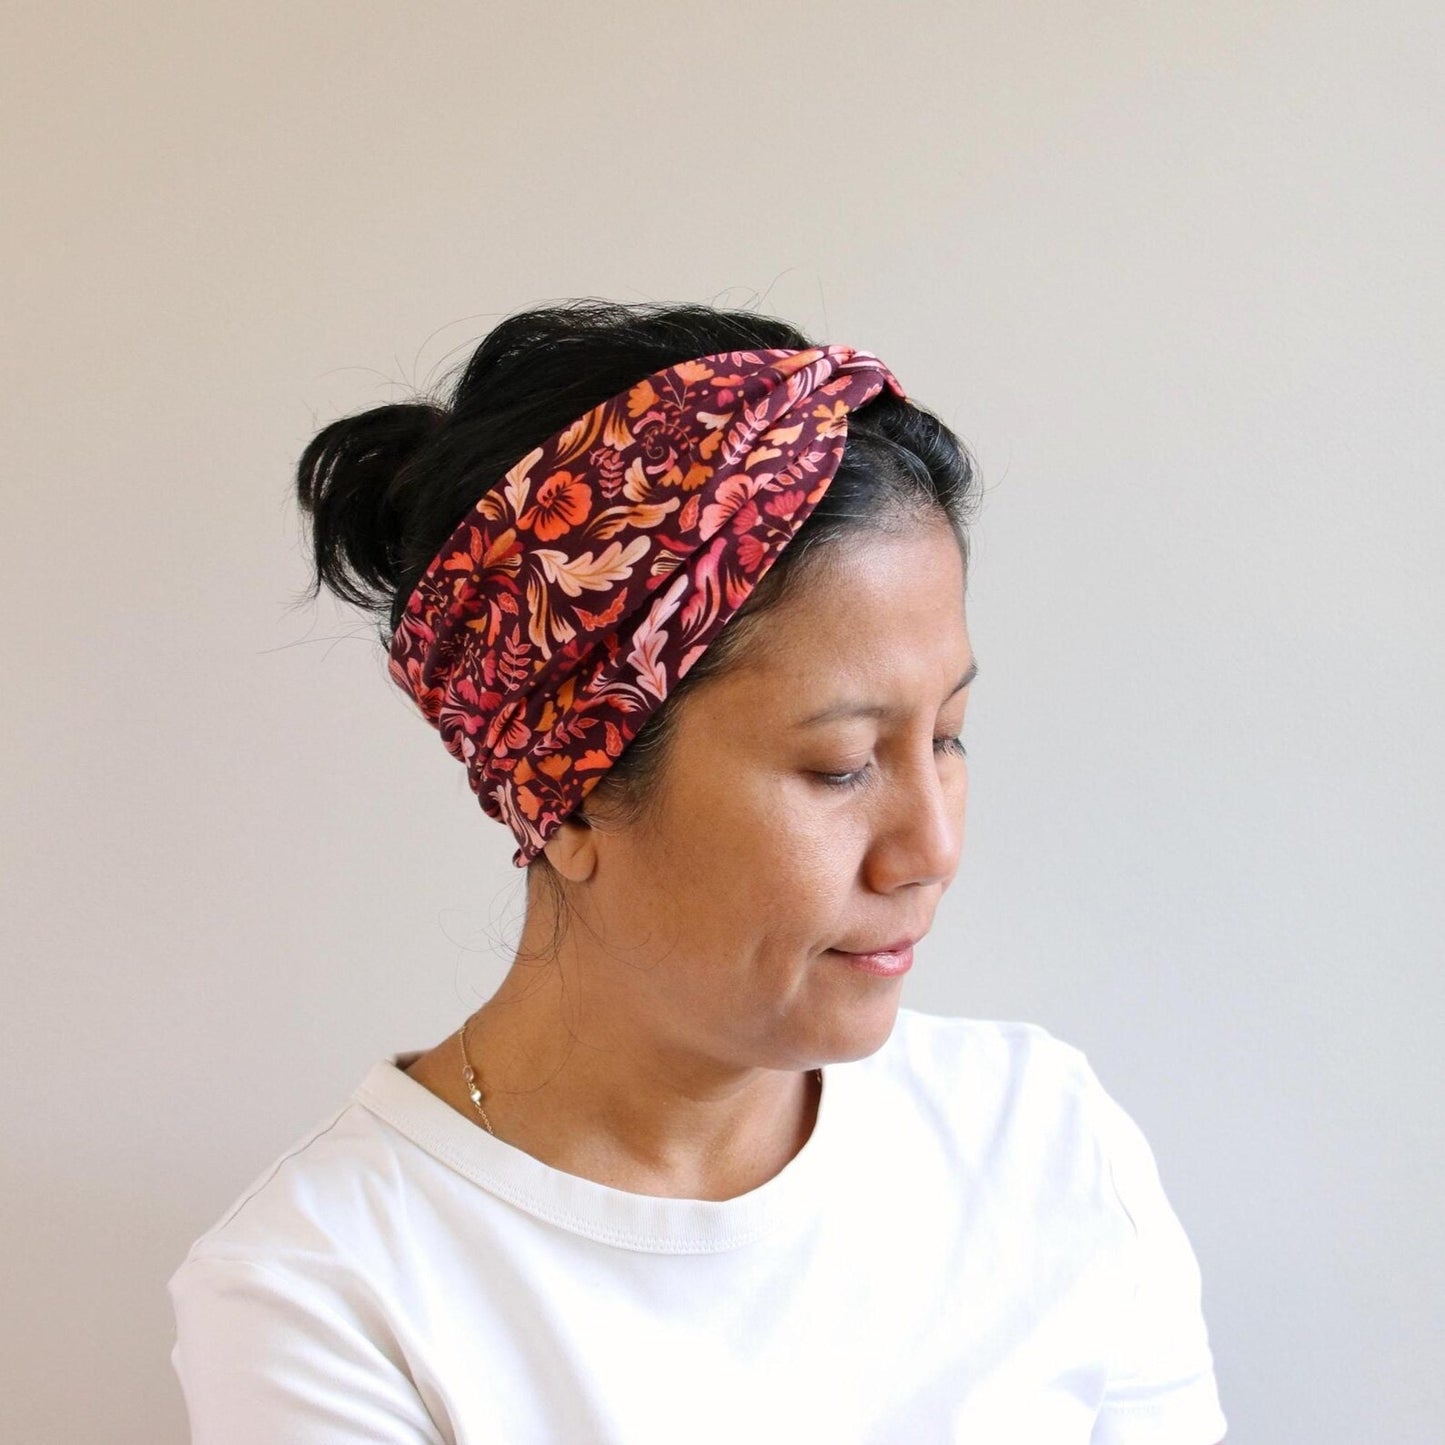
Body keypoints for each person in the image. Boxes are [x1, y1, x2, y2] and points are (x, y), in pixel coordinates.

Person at [166, 299, 1228, 1443]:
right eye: (839, 764)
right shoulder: (329, 1295)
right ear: (567, 796)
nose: (933, 848)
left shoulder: (1041, 1139)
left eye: (949, 735)